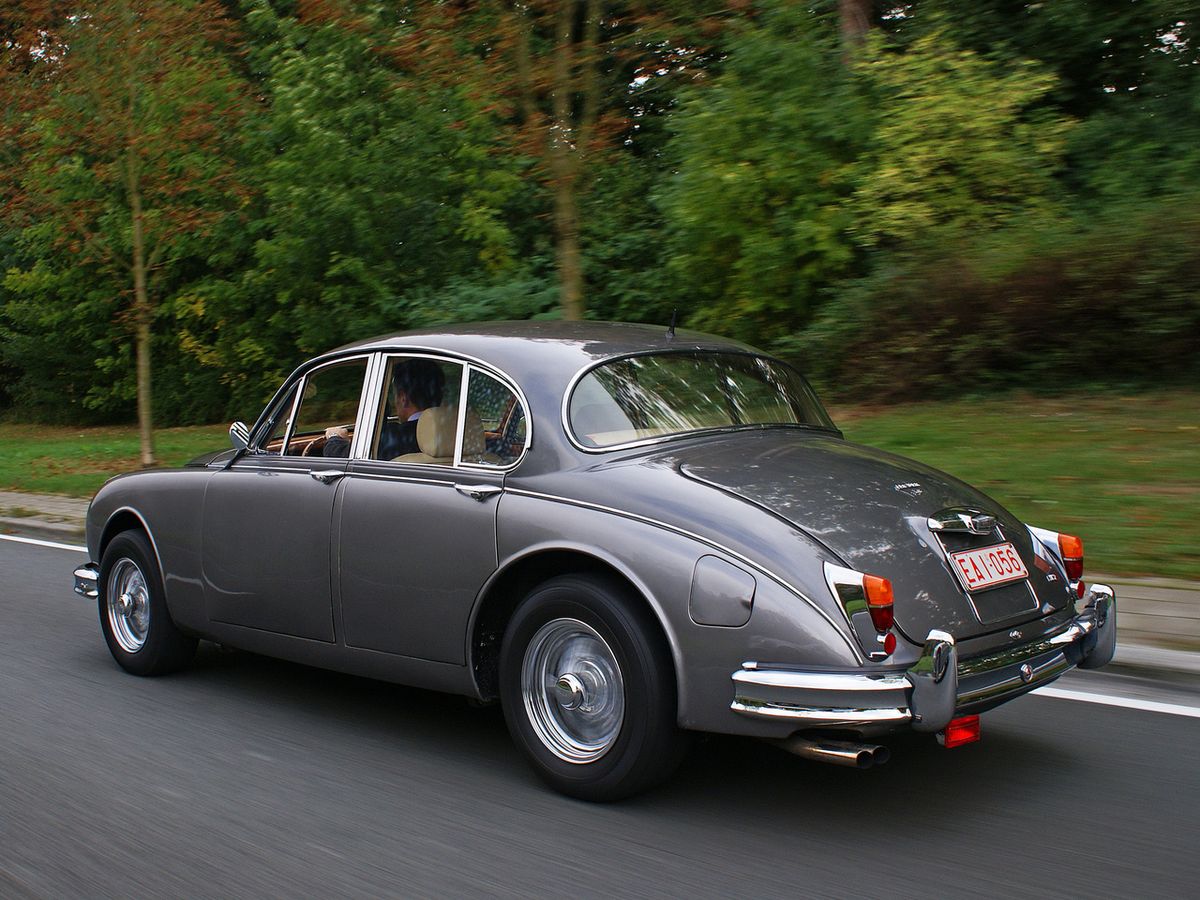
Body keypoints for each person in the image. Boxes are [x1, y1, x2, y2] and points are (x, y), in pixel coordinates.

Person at [323, 358, 445, 458]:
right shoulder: (454, 436)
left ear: (403, 398)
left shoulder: (392, 437)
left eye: (395, 394)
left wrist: (334, 438)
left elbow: (342, 459)